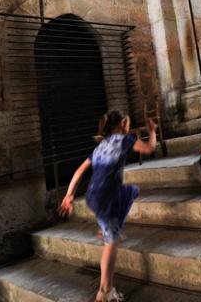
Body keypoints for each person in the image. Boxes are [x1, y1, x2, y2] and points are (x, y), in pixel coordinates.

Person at [58, 110, 157, 302]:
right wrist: (152, 131)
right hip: (106, 196)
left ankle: (110, 230)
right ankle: (104, 291)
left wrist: (69, 195)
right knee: (111, 243)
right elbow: (149, 149)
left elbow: (79, 171)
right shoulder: (124, 140)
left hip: (94, 195)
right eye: (126, 123)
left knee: (131, 191)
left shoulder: (100, 146)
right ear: (122, 124)